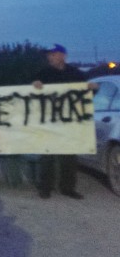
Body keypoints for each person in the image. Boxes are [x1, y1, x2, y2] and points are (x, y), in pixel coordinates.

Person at [32, 44, 97, 199]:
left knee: (69, 157)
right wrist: (34, 85)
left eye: (53, 54)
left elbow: (86, 94)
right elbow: (31, 94)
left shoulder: (76, 73)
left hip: (70, 122)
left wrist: (94, 88)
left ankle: (68, 188)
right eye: (49, 55)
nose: (50, 57)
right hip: (49, 121)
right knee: (47, 155)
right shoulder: (44, 73)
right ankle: (45, 188)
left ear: (63, 56)